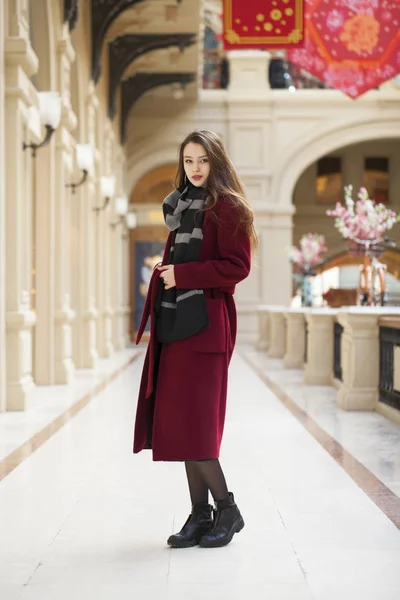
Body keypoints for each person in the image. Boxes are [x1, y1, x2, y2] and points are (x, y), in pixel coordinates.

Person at [133, 129, 257, 549]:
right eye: (188, 161)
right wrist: (168, 274)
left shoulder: (229, 209)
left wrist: (181, 275)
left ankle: (228, 509)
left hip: (205, 326)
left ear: (216, 161)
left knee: (199, 426)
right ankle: (199, 515)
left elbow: (237, 267)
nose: (196, 168)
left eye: (202, 160)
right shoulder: (182, 207)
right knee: (183, 423)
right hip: (175, 325)